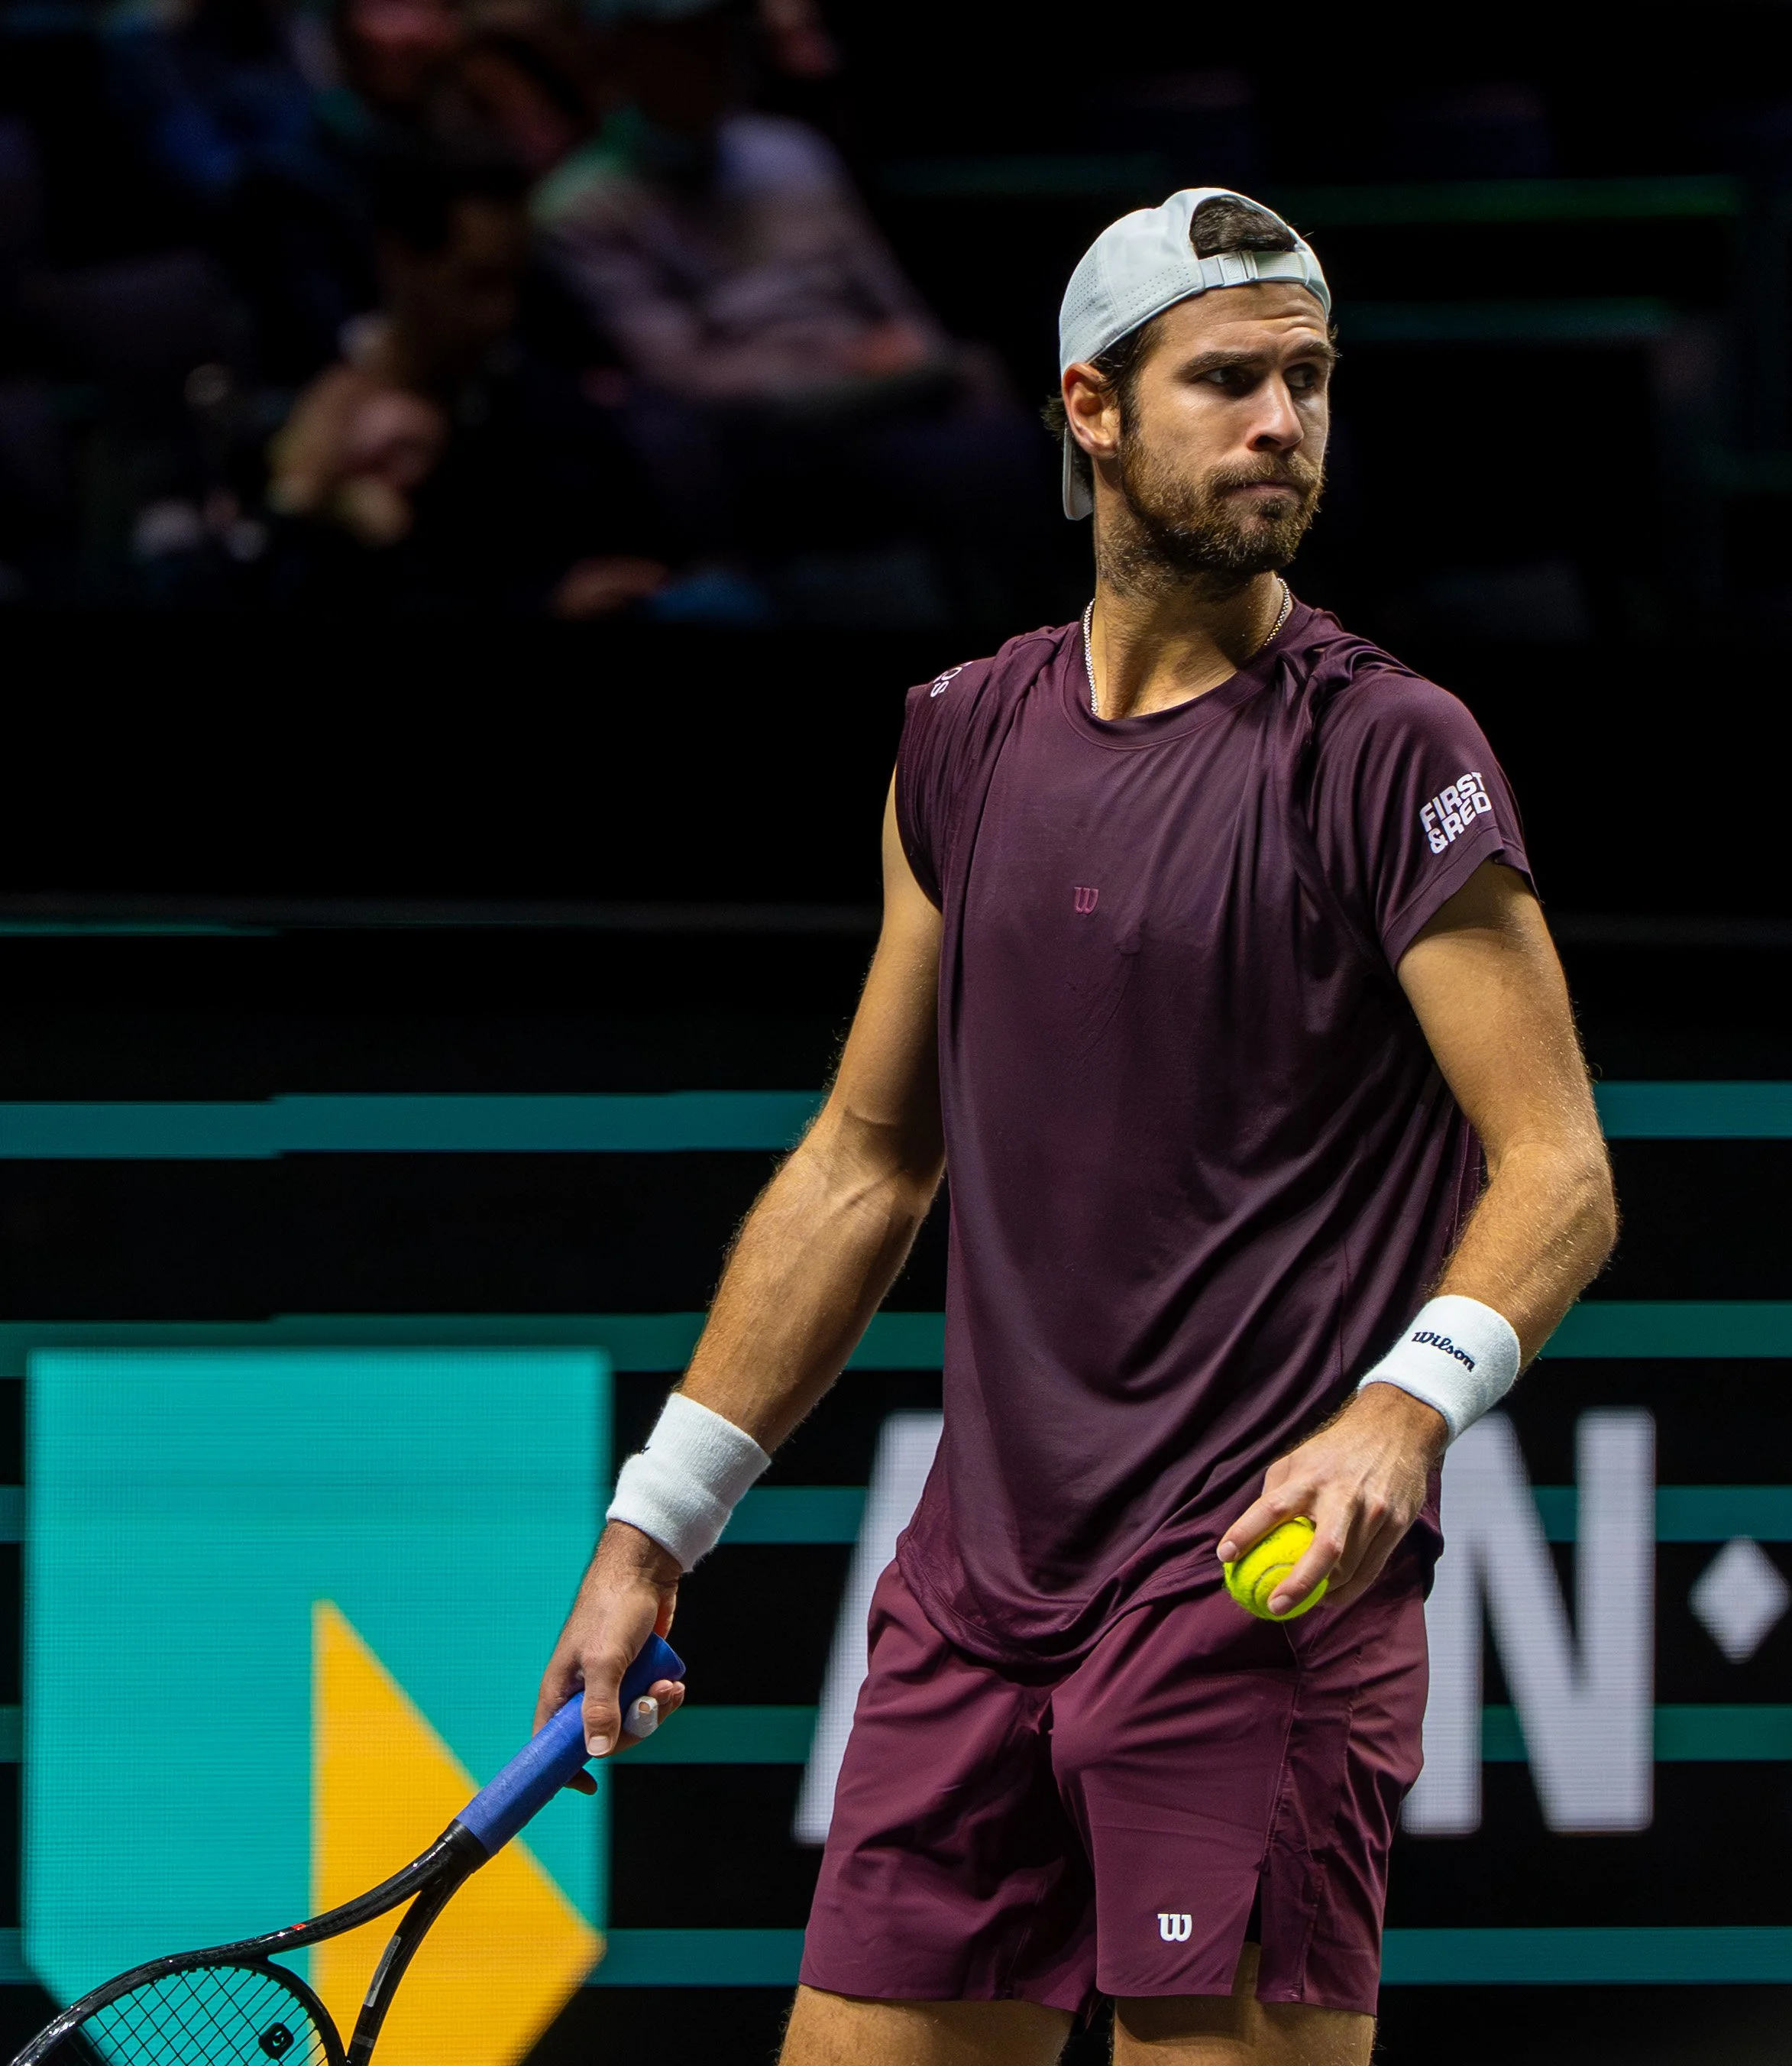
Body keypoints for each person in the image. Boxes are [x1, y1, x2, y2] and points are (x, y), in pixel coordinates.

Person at [535, 187, 1618, 2063]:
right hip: (975, 1600)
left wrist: (1399, 1406)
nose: (1282, 421)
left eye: (1309, 379)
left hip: (1250, 1598)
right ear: (1091, 411)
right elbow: (868, 1163)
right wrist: (653, 1527)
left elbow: (1562, 1169)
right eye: (1226, 381)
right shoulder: (958, 738)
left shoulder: (1389, 749)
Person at [530, 0, 1066, 622]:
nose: (702, 57)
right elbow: (678, 370)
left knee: (1004, 406)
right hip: (759, 430)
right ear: (619, 54)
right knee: (975, 463)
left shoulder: (791, 152)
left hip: (885, 392)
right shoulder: (582, 205)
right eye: (674, 40)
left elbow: (891, 299)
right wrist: (842, 362)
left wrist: (918, 351)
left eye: (712, 35)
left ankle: (1053, 650)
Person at [267, 151, 669, 614]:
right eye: (478, 283)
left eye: (515, 283)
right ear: (399, 260)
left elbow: (640, 532)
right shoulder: (321, 418)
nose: (503, 312)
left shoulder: (537, 392)